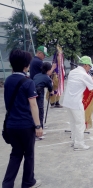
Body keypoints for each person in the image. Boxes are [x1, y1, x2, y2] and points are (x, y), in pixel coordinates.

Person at [2, 49, 42, 188]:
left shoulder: (7, 81)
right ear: (26, 65)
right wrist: (38, 126)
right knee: (29, 154)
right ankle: (28, 182)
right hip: (25, 125)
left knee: (16, 154)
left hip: (11, 125)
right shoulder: (28, 82)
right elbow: (33, 105)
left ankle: (7, 184)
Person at [62, 56, 93, 151]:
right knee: (80, 123)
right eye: (89, 66)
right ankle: (79, 144)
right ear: (85, 65)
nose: (90, 68)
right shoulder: (85, 75)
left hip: (68, 102)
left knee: (73, 122)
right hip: (76, 103)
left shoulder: (72, 72)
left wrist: (90, 79)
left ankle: (74, 141)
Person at [33, 62, 53, 140]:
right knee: (40, 111)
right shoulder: (47, 77)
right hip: (39, 94)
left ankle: (37, 129)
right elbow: (50, 89)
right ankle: (39, 132)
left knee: (34, 112)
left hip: (32, 94)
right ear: (48, 70)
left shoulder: (36, 75)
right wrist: (52, 91)